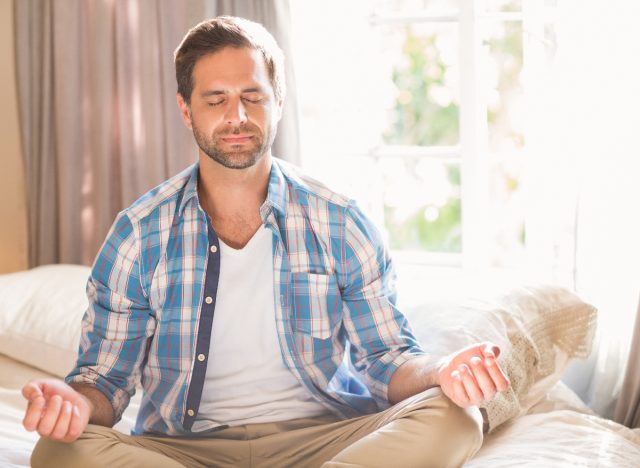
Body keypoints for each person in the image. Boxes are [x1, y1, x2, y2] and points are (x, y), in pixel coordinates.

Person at [22, 16, 509, 468]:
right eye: (216, 99)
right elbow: (105, 383)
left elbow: (387, 361)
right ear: (185, 108)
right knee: (59, 453)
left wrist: (441, 370)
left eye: (252, 96)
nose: (237, 116)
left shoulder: (338, 221)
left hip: (323, 439)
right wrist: (75, 403)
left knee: (455, 418)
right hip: (185, 450)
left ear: (278, 100)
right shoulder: (139, 233)